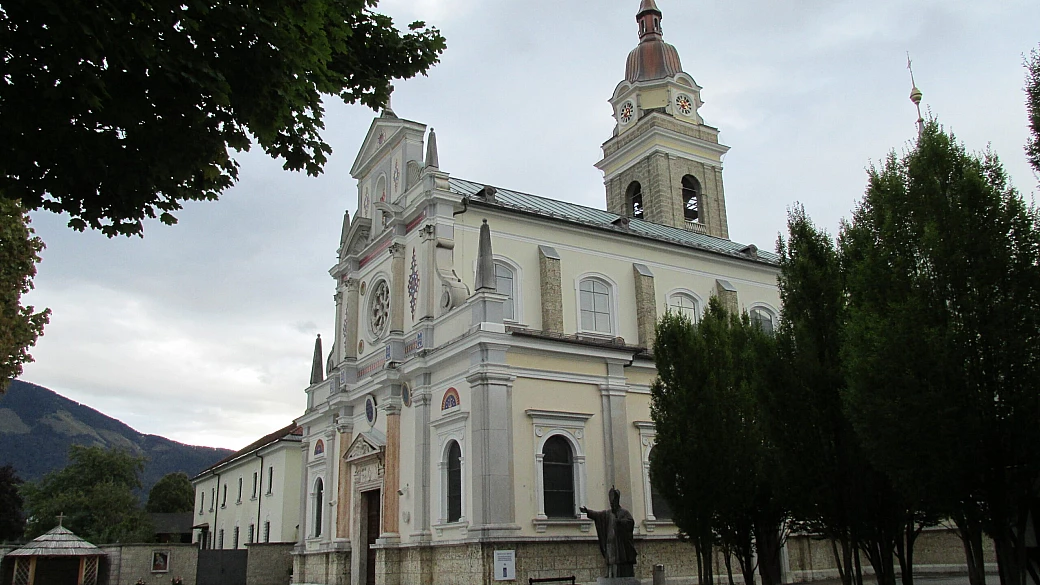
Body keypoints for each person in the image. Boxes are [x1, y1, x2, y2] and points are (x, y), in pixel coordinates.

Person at [581, 487, 638, 578]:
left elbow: (630, 522)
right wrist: (587, 511)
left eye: (613, 502)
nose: (612, 504)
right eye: (611, 502)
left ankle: (619, 576)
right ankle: (610, 575)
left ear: (617, 501)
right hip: (610, 543)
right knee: (610, 561)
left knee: (620, 562)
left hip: (620, 544)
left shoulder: (624, 512)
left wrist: (620, 522)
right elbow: (597, 515)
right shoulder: (607, 514)